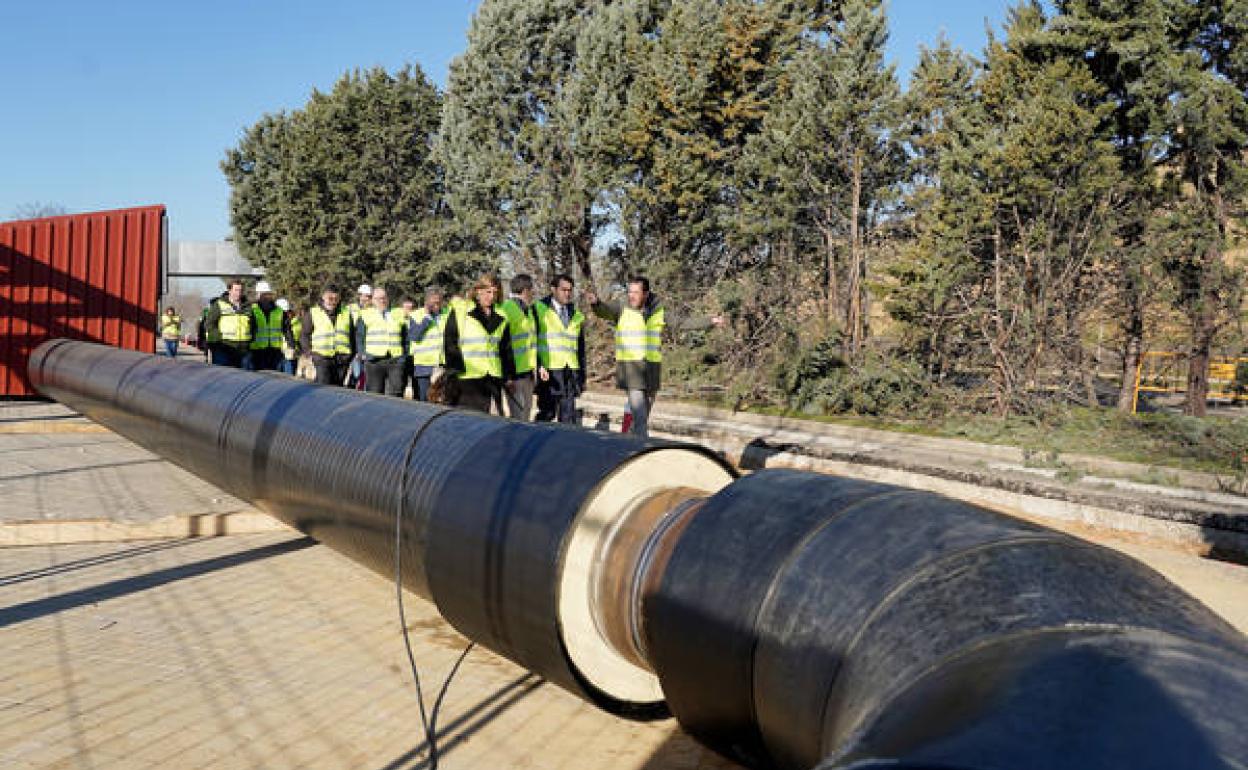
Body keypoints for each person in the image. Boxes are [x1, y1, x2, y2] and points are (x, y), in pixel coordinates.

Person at [587, 275, 724, 438]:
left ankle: (628, 439)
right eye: (629, 292)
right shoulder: (621, 307)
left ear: (645, 294)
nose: (631, 296)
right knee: (639, 415)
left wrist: (710, 321)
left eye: (636, 293)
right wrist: (596, 303)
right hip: (630, 368)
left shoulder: (658, 310)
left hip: (651, 368)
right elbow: (605, 310)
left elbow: (682, 323)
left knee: (644, 410)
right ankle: (640, 446)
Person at [443, 273, 514, 413]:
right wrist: (454, 372)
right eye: (488, 291)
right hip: (466, 379)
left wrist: (508, 377)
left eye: (495, 292)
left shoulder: (502, 315)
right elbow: (450, 342)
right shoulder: (461, 310)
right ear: (478, 291)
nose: (491, 296)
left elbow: (506, 349)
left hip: (492, 377)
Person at [533, 274, 586, 424]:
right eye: (563, 290)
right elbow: (532, 341)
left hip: (570, 371)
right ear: (553, 289)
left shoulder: (576, 314)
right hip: (548, 371)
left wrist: (582, 375)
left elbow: (580, 348)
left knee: (568, 416)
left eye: (570, 290)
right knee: (547, 414)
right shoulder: (538, 309)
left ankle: (565, 446)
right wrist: (538, 366)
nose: (567, 293)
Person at [498, 275, 538, 420]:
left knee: (525, 416)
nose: (533, 294)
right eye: (531, 290)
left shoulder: (528, 311)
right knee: (518, 418)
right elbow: (502, 345)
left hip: (527, 373)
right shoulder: (507, 309)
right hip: (513, 376)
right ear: (525, 291)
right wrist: (507, 377)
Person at [355, 286, 408, 397]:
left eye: (384, 298)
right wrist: (362, 354)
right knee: (374, 394)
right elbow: (360, 336)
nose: (382, 301)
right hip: (374, 360)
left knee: (396, 392)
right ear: (372, 300)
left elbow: (405, 336)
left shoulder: (398, 313)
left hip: (395, 359)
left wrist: (404, 356)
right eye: (378, 298)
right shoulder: (365, 314)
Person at [301, 286, 353, 386]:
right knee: (323, 387)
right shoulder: (313, 312)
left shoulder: (346, 313)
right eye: (330, 298)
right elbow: (304, 335)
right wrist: (309, 353)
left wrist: (350, 356)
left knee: (337, 388)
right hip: (321, 358)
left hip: (341, 359)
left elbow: (352, 336)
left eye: (336, 299)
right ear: (323, 297)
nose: (333, 301)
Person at [407, 286, 449, 402]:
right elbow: (415, 336)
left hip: (442, 364)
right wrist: (427, 318)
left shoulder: (446, 314)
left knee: (442, 399)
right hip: (424, 366)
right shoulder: (416, 315)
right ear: (426, 302)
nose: (437, 305)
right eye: (433, 303)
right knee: (425, 400)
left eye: (439, 302)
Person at [204, 279, 253, 368]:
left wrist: (251, 338)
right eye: (236, 290)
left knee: (245, 378)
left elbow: (253, 325)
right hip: (224, 348)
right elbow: (209, 324)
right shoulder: (219, 305)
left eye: (241, 290)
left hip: (244, 349)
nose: (238, 293)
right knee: (224, 377)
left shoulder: (249, 306)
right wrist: (218, 339)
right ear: (229, 290)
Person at [249, 281, 285, 372]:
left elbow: (286, 329)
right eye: (264, 294)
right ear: (258, 295)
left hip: (275, 350)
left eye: (268, 294)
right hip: (257, 350)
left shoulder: (279, 311)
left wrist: (290, 345)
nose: (266, 297)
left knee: (276, 377)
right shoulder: (251, 310)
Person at [346, 284, 372, 389]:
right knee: (356, 372)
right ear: (359, 295)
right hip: (353, 344)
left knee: (363, 373)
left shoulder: (372, 310)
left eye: (368, 296)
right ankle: (351, 390)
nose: (365, 298)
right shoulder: (350, 308)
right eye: (363, 296)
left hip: (365, 345)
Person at [276, 298, 299, 375]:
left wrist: (292, 347)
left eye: (286, 312)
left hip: (289, 353)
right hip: (278, 352)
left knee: (288, 376)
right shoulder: (276, 321)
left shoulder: (294, 322)